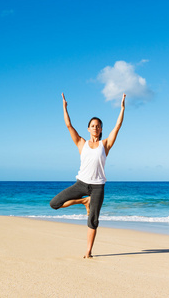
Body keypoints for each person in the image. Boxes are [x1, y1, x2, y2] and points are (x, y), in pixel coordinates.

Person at [50, 92, 126, 258]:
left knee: (93, 220)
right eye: (93, 125)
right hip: (81, 184)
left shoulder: (105, 144)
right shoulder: (81, 143)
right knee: (54, 204)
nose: (95, 128)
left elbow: (118, 126)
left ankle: (88, 251)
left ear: (101, 130)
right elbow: (69, 126)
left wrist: (122, 108)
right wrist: (64, 108)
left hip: (98, 186)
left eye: (98, 126)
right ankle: (83, 200)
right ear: (88, 128)